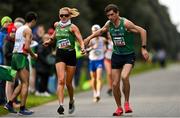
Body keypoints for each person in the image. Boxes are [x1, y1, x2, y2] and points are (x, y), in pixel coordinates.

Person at [84, 4, 149, 116]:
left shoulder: (126, 23)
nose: (110, 17)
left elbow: (143, 31)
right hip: (117, 55)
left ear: (117, 13)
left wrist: (143, 49)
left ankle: (127, 103)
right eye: (108, 15)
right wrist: (89, 38)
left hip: (129, 55)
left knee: (124, 77)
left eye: (112, 15)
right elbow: (101, 31)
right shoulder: (109, 24)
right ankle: (119, 108)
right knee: (114, 84)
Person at [43, 7, 86, 115]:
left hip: (71, 54)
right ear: (59, 16)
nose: (63, 17)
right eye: (61, 15)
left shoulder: (73, 27)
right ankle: (61, 105)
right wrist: (49, 41)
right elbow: (53, 36)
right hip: (60, 54)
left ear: (69, 16)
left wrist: (83, 47)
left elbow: (80, 39)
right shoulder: (57, 25)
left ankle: (71, 100)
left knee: (68, 83)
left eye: (66, 15)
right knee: (61, 80)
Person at [4, 11, 38, 115]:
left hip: (14, 56)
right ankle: (22, 108)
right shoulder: (28, 30)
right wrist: (33, 55)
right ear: (33, 20)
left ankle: (9, 103)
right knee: (25, 83)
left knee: (21, 83)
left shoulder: (19, 29)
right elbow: (27, 47)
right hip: (21, 57)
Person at [86, 24, 106, 102]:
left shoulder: (103, 39)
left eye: (97, 31)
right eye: (94, 31)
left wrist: (104, 49)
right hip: (92, 60)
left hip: (100, 60)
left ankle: (98, 93)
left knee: (99, 78)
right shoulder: (90, 40)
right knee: (93, 78)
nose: (95, 32)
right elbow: (85, 50)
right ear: (92, 32)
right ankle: (94, 92)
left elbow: (106, 46)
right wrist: (92, 48)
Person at [0, 16, 12, 105]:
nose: (8, 23)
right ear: (3, 23)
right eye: (6, 22)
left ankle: (9, 100)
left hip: (8, 60)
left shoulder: (10, 34)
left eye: (9, 22)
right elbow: (1, 46)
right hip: (1, 60)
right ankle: (2, 100)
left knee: (8, 80)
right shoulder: (1, 34)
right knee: (2, 81)